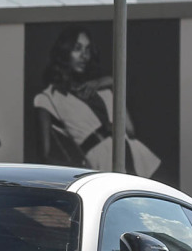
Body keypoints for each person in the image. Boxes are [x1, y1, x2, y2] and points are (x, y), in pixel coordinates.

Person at [30, 26, 161, 177]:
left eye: (87, 49)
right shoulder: (48, 98)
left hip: (140, 159)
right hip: (103, 165)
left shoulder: (102, 90)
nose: (84, 56)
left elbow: (130, 131)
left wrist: (111, 83)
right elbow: (44, 156)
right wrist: (80, 173)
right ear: (64, 52)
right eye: (77, 48)